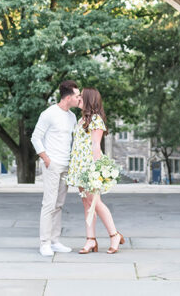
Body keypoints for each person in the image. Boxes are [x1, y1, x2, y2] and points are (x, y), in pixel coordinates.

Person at [67, 87, 124, 254]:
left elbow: (95, 146)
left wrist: (95, 172)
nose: (78, 99)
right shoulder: (81, 120)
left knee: (95, 203)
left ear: (88, 99)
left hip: (89, 167)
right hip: (79, 166)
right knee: (87, 203)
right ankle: (90, 239)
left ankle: (114, 234)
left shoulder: (96, 120)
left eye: (80, 97)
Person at [30, 79, 81, 257]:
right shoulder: (49, 113)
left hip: (66, 165)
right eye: (77, 96)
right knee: (49, 204)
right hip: (52, 164)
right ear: (68, 98)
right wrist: (46, 159)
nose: (79, 98)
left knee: (59, 205)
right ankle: (44, 243)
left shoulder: (72, 116)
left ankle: (55, 241)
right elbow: (35, 137)